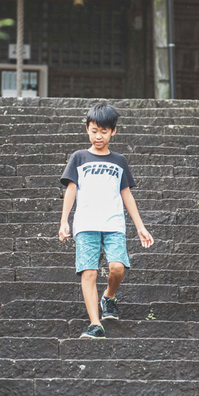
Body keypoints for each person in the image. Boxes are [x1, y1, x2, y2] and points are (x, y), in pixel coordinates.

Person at [59, 102, 154, 339]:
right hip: (85, 224)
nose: (98, 136)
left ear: (113, 131)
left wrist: (140, 226)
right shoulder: (79, 157)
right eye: (94, 130)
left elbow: (127, 195)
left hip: (113, 224)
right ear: (87, 129)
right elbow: (71, 190)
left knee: (117, 267)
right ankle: (95, 324)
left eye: (104, 131)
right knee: (88, 273)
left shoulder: (119, 161)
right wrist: (64, 221)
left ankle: (108, 296)